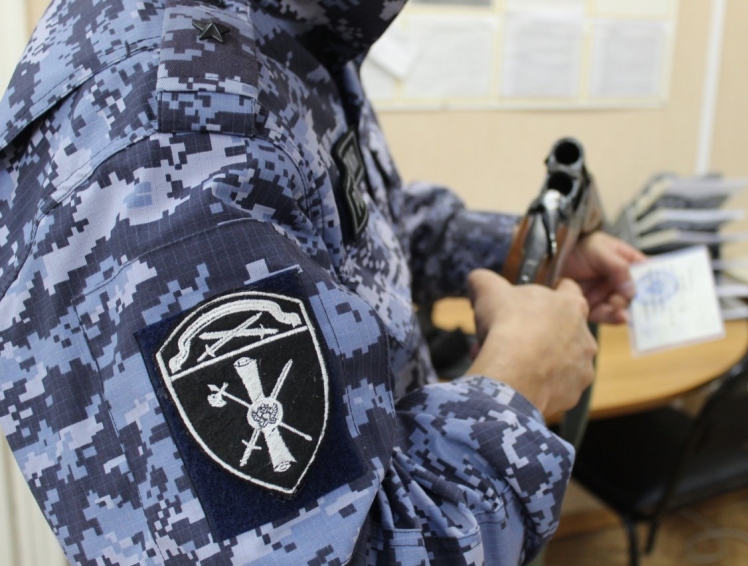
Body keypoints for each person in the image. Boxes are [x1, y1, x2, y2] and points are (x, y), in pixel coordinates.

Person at [0, 0, 643, 563]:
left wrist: (519, 249)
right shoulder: (167, 124)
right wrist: (521, 381)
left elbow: (348, 226)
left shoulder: (277, 27)